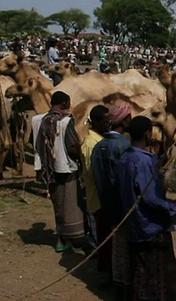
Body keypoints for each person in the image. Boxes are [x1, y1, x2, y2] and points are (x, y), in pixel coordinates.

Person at [117, 116, 176, 300]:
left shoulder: (125, 158)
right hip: (150, 228)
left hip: (134, 226)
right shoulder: (144, 161)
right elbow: (151, 197)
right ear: (147, 134)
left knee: (140, 273)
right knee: (157, 276)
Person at [33, 91, 83, 252]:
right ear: (64, 104)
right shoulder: (65, 121)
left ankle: (61, 238)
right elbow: (72, 147)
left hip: (47, 169)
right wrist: (82, 158)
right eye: (68, 102)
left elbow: (34, 143)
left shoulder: (36, 120)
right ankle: (70, 238)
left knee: (57, 203)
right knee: (71, 204)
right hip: (65, 168)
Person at [91, 102, 133, 296]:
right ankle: (125, 285)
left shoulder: (98, 146)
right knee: (125, 248)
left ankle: (113, 278)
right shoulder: (124, 145)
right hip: (124, 208)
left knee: (112, 244)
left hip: (105, 204)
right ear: (125, 120)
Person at [81, 105, 111, 277]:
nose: (109, 124)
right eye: (106, 121)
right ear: (97, 122)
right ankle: (103, 273)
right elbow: (95, 175)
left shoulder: (99, 141)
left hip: (101, 199)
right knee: (103, 241)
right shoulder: (91, 145)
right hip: (98, 199)